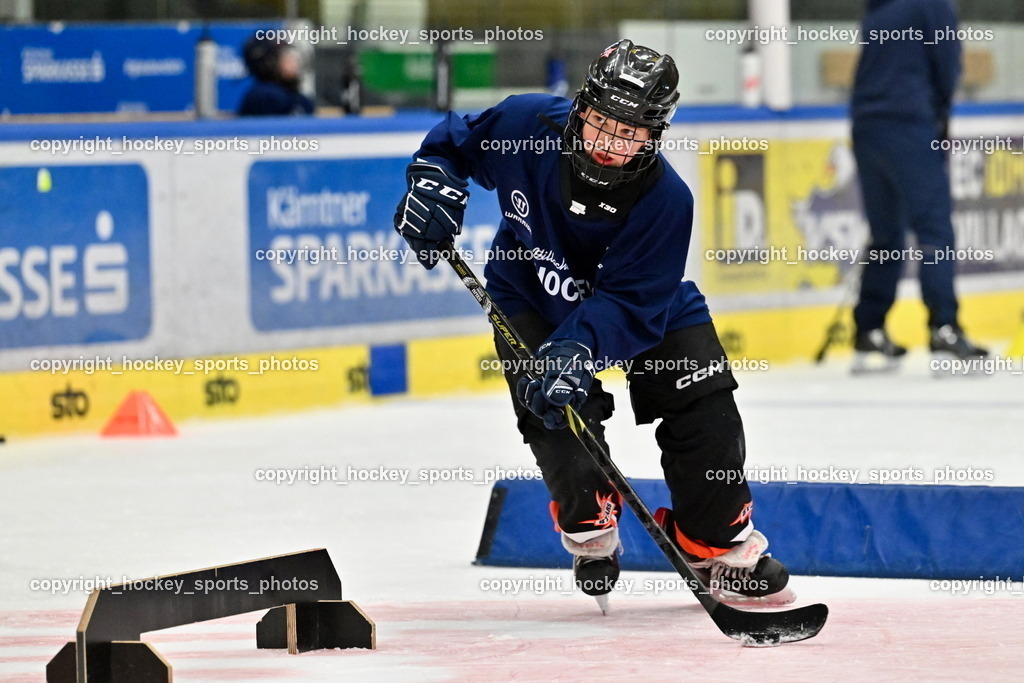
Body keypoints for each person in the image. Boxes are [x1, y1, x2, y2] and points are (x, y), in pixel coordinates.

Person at [393, 40, 793, 606]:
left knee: (707, 412)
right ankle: (590, 524)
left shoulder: (666, 201)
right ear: (581, 108)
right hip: (529, 289)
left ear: (655, 135)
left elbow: (630, 302)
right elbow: (455, 142)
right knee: (554, 415)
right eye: (602, 122)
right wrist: (432, 179)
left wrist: (579, 349)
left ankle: (716, 545)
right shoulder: (526, 123)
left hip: (643, 306)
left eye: (629, 133)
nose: (608, 144)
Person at [850, 0, 987, 372]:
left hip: (865, 124)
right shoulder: (933, 4)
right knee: (934, 227)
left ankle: (869, 325)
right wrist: (939, 114)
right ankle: (944, 324)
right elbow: (947, 62)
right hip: (909, 122)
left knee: (886, 232)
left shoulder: (879, 7)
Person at [237, 35, 314, 117]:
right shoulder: (265, 97)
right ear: (267, 62)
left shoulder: (300, 100)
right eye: (286, 56)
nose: (295, 62)